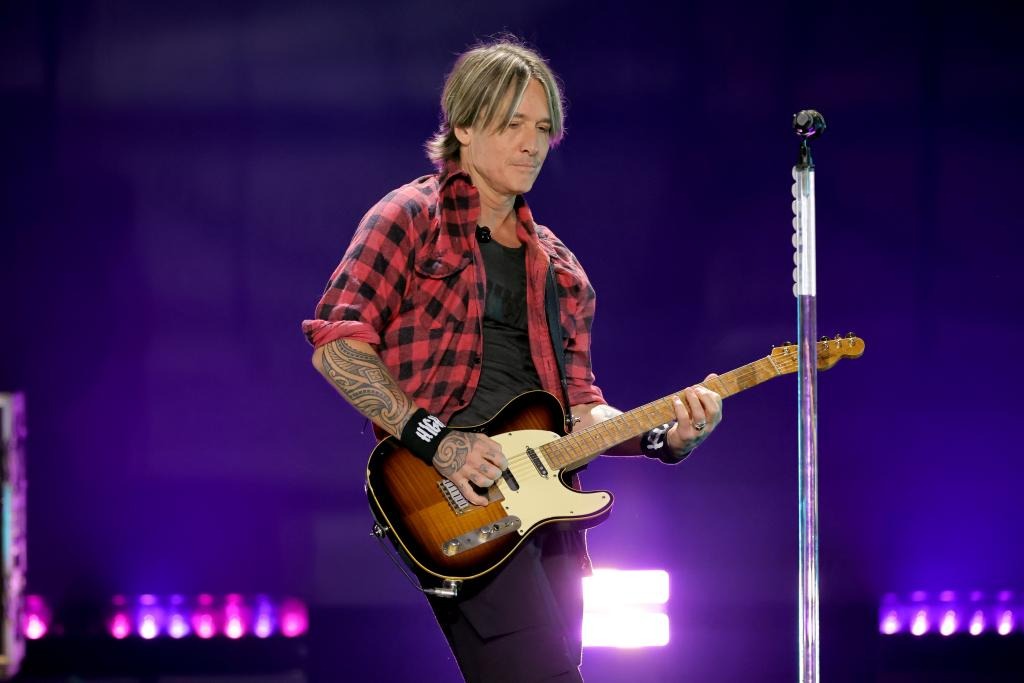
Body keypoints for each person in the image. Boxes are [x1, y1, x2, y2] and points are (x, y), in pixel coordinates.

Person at [302, 37, 723, 683]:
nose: (532, 143)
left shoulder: (562, 269)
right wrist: (437, 441)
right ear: (463, 126)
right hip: (453, 492)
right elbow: (339, 345)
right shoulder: (411, 216)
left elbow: (583, 408)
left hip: (546, 500)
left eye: (543, 128)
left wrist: (668, 433)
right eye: (512, 124)